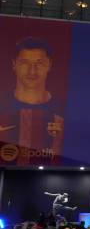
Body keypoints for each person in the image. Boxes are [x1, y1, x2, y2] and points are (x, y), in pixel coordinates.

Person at [0, 37, 65, 166]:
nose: (32, 71)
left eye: (39, 63)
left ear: (49, 64)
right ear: (14, 64)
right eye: (25, 63)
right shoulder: (2, 103)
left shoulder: (64, 110)